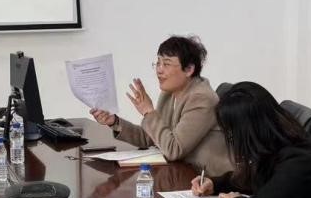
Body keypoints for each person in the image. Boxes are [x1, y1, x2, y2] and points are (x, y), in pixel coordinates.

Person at [89, 35, 233, 175]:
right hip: (181, 172)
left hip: (207, 179)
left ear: (189, 69)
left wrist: (148, 112)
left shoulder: (202, 99)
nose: (159, 70)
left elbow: (174, 149)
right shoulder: (169, 93)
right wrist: (114, 122)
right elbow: (153, 138)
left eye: (166, 64)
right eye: (158, 63)